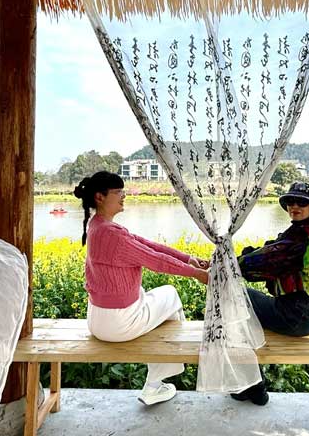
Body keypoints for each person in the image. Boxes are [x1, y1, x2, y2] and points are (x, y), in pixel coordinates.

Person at [74, 171, 210, 406]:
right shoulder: (112, 234)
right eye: (118, 192)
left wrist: (188, 259)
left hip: (96, 320)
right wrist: (197, 274)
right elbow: (156, 260)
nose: (124, 196)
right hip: (118, 324)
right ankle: (155, 383)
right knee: (171, 295)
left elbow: (147, 245)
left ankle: (157, 380)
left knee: (160, 301)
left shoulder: (98, 226)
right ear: (100, 197)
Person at [232, 181, 309, 406]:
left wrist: (230, 265)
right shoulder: (303, 231)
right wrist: (239, 258)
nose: (295, 206)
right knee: (242, 308)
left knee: (234, 298)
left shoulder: (302, 236)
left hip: (295, 315)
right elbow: (272, 247)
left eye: (301, 203)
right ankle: (252, 383)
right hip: (300, 312)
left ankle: (254, 386)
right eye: (291, 202)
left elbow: (268, 260)